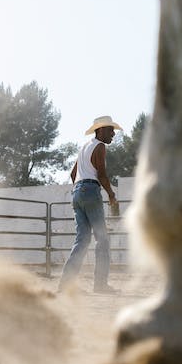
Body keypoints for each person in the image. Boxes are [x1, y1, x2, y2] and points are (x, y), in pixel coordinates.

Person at [58, 115, 122, 294]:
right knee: (102, 239)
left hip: (77, 192)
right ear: (100, 130)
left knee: (82, 240)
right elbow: (101, 175)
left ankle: (65, 284)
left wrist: (79, 190)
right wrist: (111, 194)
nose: (113, 135)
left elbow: (73, 174)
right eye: (111, 130)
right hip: (91, 191)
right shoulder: (100, 146)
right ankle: (100, 285)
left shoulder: (84, 147)